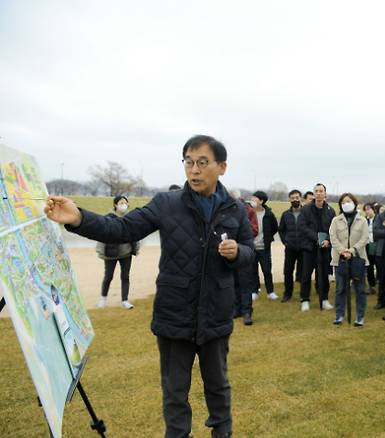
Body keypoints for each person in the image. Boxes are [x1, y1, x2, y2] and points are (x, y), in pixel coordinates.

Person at [44, 135, 254, 437]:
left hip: (216, 317)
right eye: (188, 162)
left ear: (222, 167)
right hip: (174, 316)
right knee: (174, 393)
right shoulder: (167, 204)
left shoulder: (234, 210)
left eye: (202, 163)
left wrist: (238, 253)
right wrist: (78, 218)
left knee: (218, 388)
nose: (193, 170)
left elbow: (249, 250)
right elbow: (122, 228)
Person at [329, 193, 369, 326]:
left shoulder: (362, 220)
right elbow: (333, 237)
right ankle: (339, 315)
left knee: (360, 289)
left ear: (354, 203)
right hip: (340, 259)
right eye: (343, 202)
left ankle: (360, 316)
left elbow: (364, 238)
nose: (346, 204)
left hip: (358, 258)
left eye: (349, 201)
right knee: (340, 289)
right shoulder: (336, 220)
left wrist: (352, 251)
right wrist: (342, 251)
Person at [95, 195, 139, 309]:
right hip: (110, 254)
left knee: (125, 277)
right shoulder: (108, 218)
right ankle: (103, 299)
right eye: (121, 203)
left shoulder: (130, 218)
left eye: (125, 203)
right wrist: (101, 251)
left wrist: (136, 249)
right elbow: (102, 235)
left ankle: (125, 301)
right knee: (108, 276)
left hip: (126, 253)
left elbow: (136, 234)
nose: (123, 205)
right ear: (115, 205)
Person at [298, 183, 336, 311]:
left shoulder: (331, 211)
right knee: (306, 275)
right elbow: (302, 227)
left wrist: (327, 240)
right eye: (316, 191)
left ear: (325, 193)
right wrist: (316, 238)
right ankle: (305, 299)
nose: (319, 193)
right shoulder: (306, 209)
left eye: (321, 191)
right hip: (309, 247)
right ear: (313, 193)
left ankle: (324, 299)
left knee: (324, 275)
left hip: (325, 248)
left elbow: (333, 229)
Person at [230, 189, 258, 326]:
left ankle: (247, 311)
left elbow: (254, 230)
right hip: (231, 252)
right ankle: (237, 309)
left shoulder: (249, 211)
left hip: (245, 251)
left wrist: (239, 231)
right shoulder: (226, 211)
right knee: (233, 282)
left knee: (245, 283)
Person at [250, 190, 279, 301]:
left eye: (255, 198)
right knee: (253, 271)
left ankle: (270, 292)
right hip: (251, 247)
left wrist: (267, 237)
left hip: (264, 248)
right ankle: (254, 291)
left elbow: (275, 227)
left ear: (261, 201)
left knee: (267, 270)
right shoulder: (249, 212)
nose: (252, 200)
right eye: (252, 198)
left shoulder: (268, 214)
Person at [279, 189, 304, 303]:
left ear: (301, 198)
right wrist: (286, 241)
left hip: (304, 248)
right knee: (288, 271)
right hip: (290, 248)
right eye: (293, 198)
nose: (295, 199)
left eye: (297, 197)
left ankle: (304, 295)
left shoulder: (306, 213)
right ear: (290, 199)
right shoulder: (285, 214)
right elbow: (281, 230)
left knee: (304, 272)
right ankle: (287, 294)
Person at [364, 203, 378, 294]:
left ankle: (380, 285)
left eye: (369, 209)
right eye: (365, 210)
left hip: (377, 245)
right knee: (369, 266)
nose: (367, 211)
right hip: (368, 245)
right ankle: (371, 286)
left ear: (373, 209)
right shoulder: (365, 221)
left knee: (380, 266)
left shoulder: (378, 219)